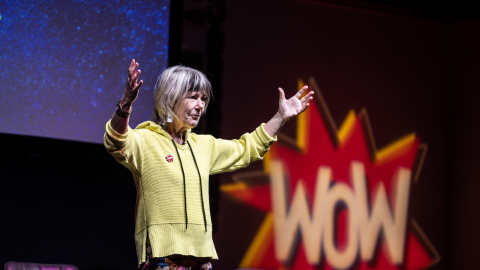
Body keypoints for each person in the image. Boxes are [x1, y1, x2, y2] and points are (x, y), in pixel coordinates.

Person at [104, 59, 314, 270]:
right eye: (193, 97)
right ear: (171, 97)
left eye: (203, 99)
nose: (201, 105)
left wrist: (280, 117)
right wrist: (125, 104)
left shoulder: (203, 145)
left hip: (201, 253)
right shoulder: (145, 140)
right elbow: (116, 140)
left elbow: (247, 148)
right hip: (163, 252)